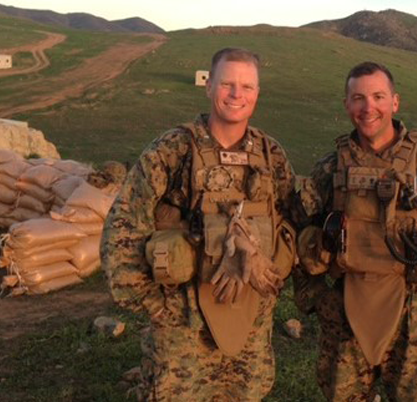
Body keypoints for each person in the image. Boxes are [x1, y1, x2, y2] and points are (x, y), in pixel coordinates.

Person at [101, 48, 297, 402]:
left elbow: (290, 221)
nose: (236, 94)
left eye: (247, 86)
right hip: (183, 326)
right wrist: (152, 304)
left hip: (250, 321)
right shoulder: (173, 150)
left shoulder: (270, 156)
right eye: (227, 84)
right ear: (209, 86)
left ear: (257, 93)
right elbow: (124, 223)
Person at [294, 61, 417, 402]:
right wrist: (316, 298)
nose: (368, 107)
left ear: (395, 102)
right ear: (346, 105)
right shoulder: (332, 168)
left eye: (378, 97)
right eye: (358, 98)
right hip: (346, 315)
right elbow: (299, 232)